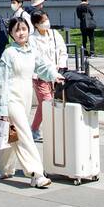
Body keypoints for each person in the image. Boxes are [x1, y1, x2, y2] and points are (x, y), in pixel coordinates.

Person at [0, 16, 64, 188]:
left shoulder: (31, 50)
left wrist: (55, 75)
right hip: (11, 100)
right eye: (17, 30)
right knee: (24, 135)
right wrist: (2, 110)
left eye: (23, 29)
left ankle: (0, 166)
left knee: (13, 135)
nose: (21, 33)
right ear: (11, 34)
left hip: (25, 99)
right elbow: (1, 82)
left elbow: (42, 67)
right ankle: (36, 173)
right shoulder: (9, 54)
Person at [29, 11, 67, 143]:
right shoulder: (32, 39)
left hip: (55, 75)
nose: (46, 23)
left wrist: (60, 65)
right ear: (35, 24)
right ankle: (43, 130)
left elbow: (63, 51)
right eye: (42, 21)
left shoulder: (55, 35)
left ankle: (34, 129)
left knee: (44, 104)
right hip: (40, 76)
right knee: (47, 101)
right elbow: (36, 59)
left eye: (46, 19)